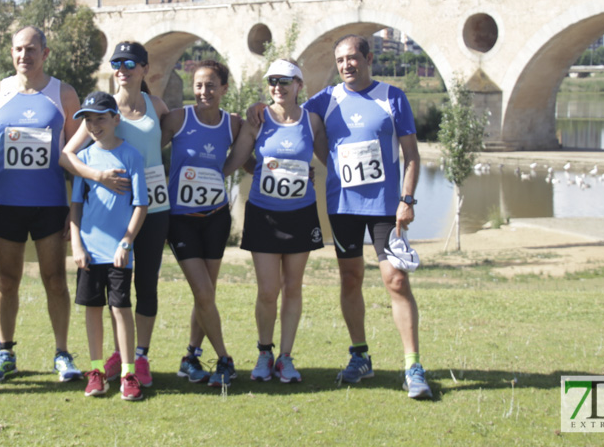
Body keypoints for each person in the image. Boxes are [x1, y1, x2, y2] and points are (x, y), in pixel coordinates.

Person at [303, 34, 429, 399]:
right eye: (340, 60)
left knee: (396, 280)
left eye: (352, 58)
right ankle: (360, 356)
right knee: (350, 277)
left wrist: (407, 200)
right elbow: (290, 113)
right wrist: (256, 112)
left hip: (385, 207)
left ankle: (413, 365)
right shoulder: (326, 99)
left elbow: (412, 156)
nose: (346, 65)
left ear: (368, 58)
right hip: (342, 206)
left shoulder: (392, 97)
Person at [0, 26, 83, 383]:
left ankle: (62, 353)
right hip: (6, 203)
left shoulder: (64, 94)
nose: (25, 56)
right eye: (19, 50)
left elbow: (77, 155)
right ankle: (4, 352)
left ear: (45, 53)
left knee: (55, 280)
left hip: (50, 204)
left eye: (32, 49)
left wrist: (75, 205)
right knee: (7, 279)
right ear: (12, 53)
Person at [62, 41, 169, 388]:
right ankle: (116, 359)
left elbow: (170, 136)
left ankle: (140, 357)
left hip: (153, 206)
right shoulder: (102, 110)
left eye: (129, 62)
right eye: (116, 62)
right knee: (113, 285)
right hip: (113, 214)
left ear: (143, 68)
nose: (121, 68)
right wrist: (97, 177)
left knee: (146, 283)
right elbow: (68, 155)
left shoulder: (157, 105)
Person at [225, 59, 325, 384]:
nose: (278, 87)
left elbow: (331, 157)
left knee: (292, 287)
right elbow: (238, 160)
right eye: (272, 82)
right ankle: (264, 352)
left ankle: (285, 357)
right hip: (263, 214)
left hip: (301, 213)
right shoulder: (258, 118)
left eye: (285, 81)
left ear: (299, 85)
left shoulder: (312, 121)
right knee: (268, 290)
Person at [160, 60, 243, 387]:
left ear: (224, 89)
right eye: (198, 85)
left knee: (205, 294)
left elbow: (249, 155)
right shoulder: (179, 119)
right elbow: (148, 150)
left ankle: (191, 357)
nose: (203, 91)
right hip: (180, 219)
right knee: (203, 291)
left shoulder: (232, 124)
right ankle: (224, 359)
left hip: (216, 218)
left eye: (210, 85)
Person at [68, 92, 148, 401]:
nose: (93, 125)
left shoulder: (131, 156)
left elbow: (141, 204)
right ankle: (96, 371)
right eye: (88, 119)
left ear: (116, 119)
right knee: (92, 310)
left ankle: (128, 374)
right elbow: (75, 206)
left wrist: (126, 242)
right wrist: (76, 244)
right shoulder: (84, 159)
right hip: (88, 251)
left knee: (121, 308)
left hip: (118, 253)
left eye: (100, 118)